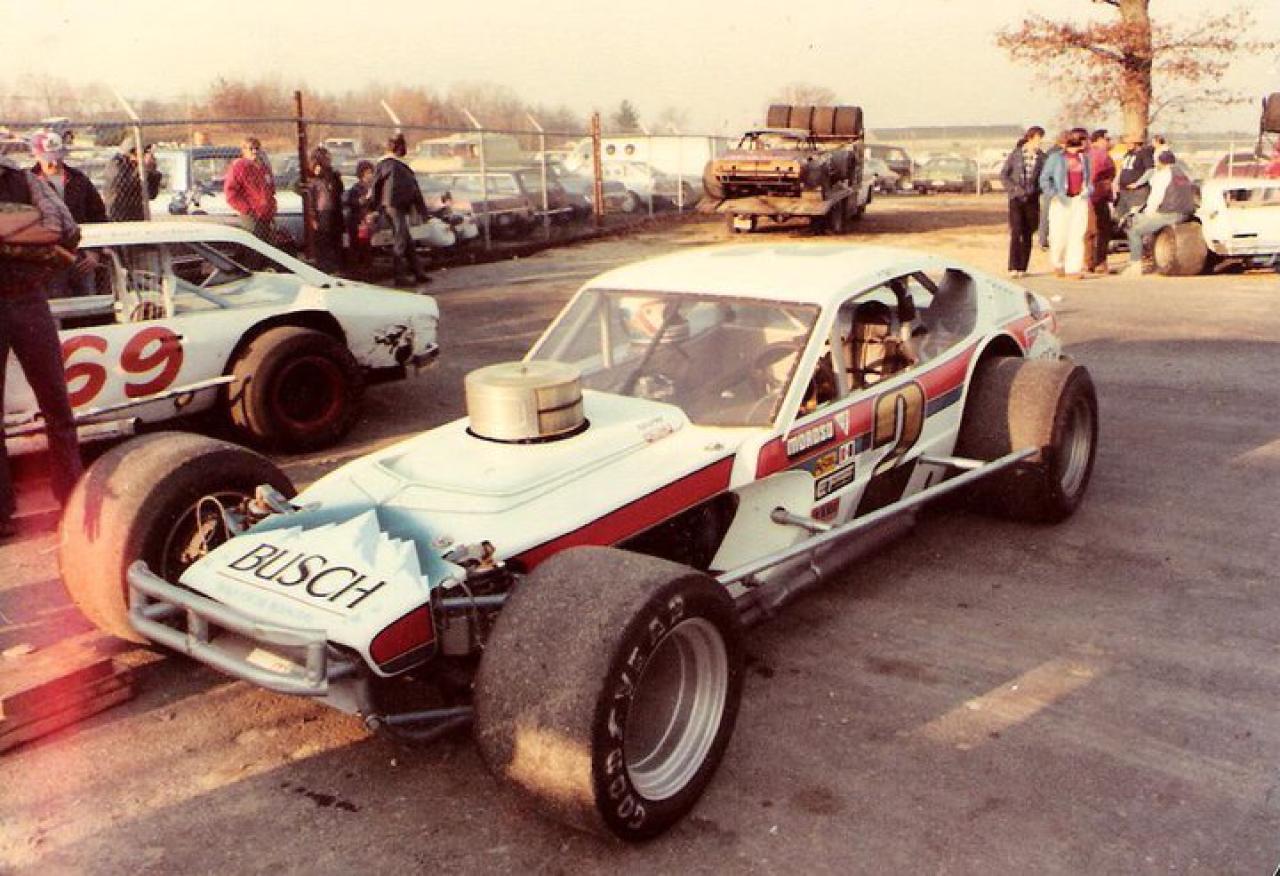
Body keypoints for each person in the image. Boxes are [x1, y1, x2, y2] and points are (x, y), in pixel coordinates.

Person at [0, 155, 84, 539]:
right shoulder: (25, 184)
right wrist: (21, 227)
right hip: (22, 300)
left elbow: (60, 229)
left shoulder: (23, 179)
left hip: (29, 298)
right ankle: (2, 515)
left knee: (58, 407)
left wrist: (6, 235)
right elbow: (43, 229)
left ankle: (72, 501)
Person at [31, 131, 105, 296]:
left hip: (81, 254)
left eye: (57, 156)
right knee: (54, 302)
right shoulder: (28, 183)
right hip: (48, 257)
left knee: (86, 300)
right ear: (36, 155)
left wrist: (94, 251)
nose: (54, 162)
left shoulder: (79, 180)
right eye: (48, 158)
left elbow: (98, 215)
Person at [1121, 151, 1196, 277]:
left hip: (1169, 213)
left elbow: (1156, 197)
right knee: (1141, 222)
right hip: (1185, 212)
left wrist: (1147, 213)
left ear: (1161, 162)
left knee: (1133, 229)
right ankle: (1147, 254)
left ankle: (1135, 266)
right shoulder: (1183, 173)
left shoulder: (1163, 175)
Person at [371, 134, 429, 285]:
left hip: (396, 205)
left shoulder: (393, 165)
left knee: (406, 240)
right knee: (401, 240)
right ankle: (399, 277)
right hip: (393, 206)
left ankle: (418, 272)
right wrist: (374, 207)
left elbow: (377, 186)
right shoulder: (390, 164)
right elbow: (377, 187)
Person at [1039, 128, 1093, 279]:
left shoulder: (1085, 159)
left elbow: (1088, 179)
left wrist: (1088, 190)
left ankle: (1073, 268)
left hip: (1079, 199)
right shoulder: (1056, 158)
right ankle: (1058, 263)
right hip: (1061, 200)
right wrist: (1053, 194)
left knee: (1077, 234)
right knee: (1059, 234)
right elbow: (1044, 178)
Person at [1000, 125, 1045, 277]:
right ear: (1030, 138)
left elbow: (1044, 178)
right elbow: (1004, 175)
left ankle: (1023, 267)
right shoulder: (1016, 154)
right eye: (1038, 139)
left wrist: (1037, 189)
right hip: (1016, 198)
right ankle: (1013, 266)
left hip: (1032, 199)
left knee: (1028, 231)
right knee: (1016, 230)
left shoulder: (1042, 158)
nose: (1040, 142)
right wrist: (1014, 189)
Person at [224, 137, 277, 243]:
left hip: (266, 216)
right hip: (251, 217)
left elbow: (271, 191)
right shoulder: (239, 167)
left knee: (268, 246)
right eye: (251, 148)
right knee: (254, 246)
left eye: (257, 148)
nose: (254, 151)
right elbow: (231, 194)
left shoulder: (264, 168)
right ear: (244, 150)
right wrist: (247, 210)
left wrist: (272, 208)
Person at [305, 146, 344, 273]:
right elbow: (310, 197)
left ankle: (335, 265)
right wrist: (313, 217)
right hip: (322, 211)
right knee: (323, 239)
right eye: (326, 157)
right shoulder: (313, 177)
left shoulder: (332, 175)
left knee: (334, 239)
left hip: (334, 210)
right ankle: (325, 266)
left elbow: (339, 190)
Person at [1084, 129, 1117, 274]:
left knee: (1090, 230)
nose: (1109, 142)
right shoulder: (1099, 155)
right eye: (1107, 139)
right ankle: (1098, 262)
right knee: (1100, 230)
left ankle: (1089, 261)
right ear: (1099, 140)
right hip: (1097, 196)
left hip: (1093, 196)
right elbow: (1094, 175)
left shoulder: (1089, 154)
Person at [103, 143, 162, 221]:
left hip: (137, 215)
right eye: (144, 152)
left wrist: (151, 171)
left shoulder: (138, 165)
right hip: (117, 215)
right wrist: (142, 167)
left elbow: (152, 194)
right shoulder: (116, 163)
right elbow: (124, 186)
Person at [344, 160, 376, 276]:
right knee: (356, 246)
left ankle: (367, 269)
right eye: (368, 173)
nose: (370, 175)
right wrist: (365, 198)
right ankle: (355, 270)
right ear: (362, 174)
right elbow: (351, 203)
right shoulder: (356, 188)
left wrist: (374, 213)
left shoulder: (372, 188)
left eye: (371, 172)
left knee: (366, 246)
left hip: (367, 221)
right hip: (356, 221)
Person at [1115, 134, 1155, 220]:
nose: (1127, 145)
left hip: (1137, 192)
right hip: (1124, 191)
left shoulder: (1144, 153)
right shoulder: (1128, 154)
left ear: (1136, 143)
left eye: (1129, 143)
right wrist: (1116, 183)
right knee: (1119, 216)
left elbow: (1150, 170)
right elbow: (1122, 169)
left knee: (1133, 217)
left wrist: (1137, 184)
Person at [1037, 132, 1065, 250]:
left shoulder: (1050, 152)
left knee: (1046, 215)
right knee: (1048, 215)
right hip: (1053, 188)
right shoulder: (1056, 154)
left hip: (1050, 188)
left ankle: (1043, 239)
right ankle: (1044, 239)